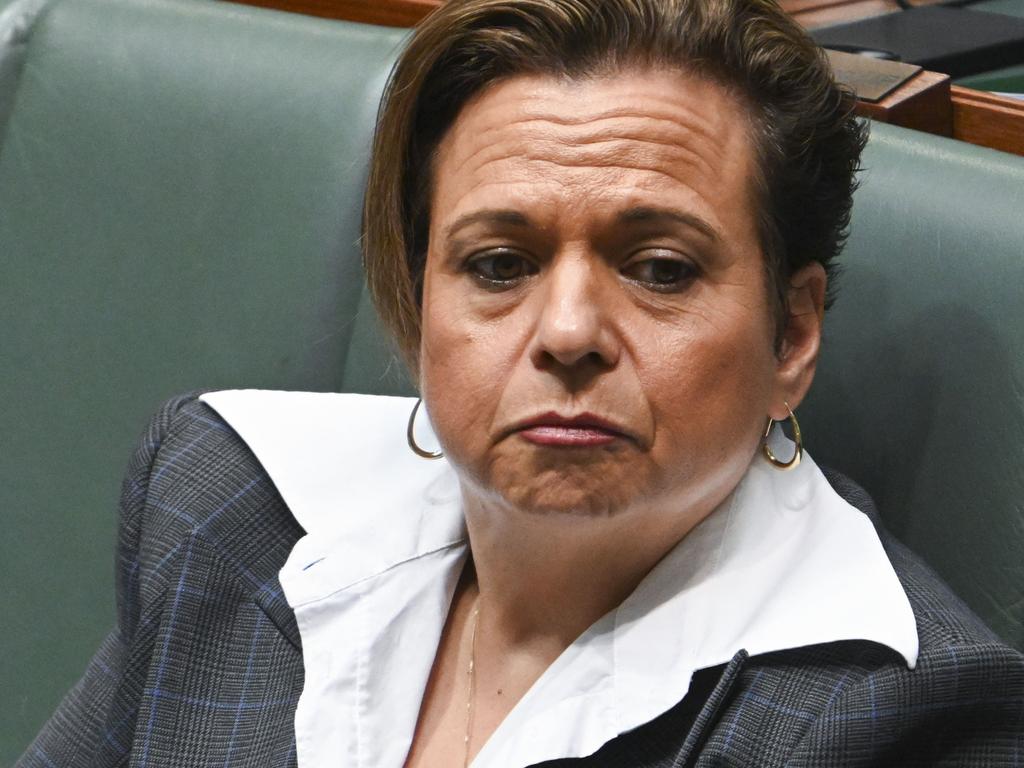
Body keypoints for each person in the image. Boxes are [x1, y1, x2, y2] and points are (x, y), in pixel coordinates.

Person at [19, 0, 1023, 766]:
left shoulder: (892, 720)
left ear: (792, 336)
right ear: (417, 308)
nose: (570, 333)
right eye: (499, 264)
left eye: (660, 267)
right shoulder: (230, 504)